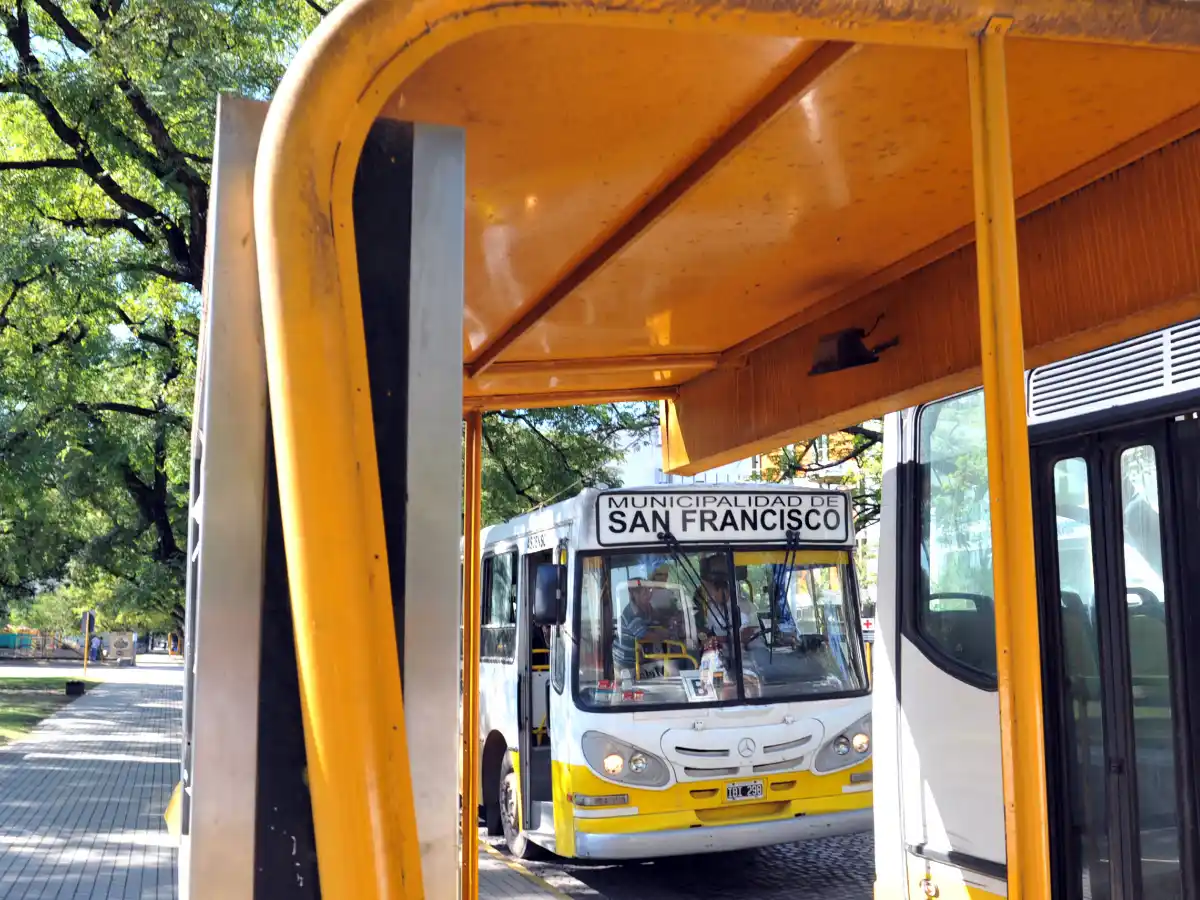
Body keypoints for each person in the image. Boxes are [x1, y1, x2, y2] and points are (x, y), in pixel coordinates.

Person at [612, 578, 670, 676]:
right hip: (624, 664)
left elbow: (659, 618)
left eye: (649, 590)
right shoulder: (631, 612)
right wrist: (667, 635)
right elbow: (644, 635)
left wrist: (671, 620)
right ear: (635, 595)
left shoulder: (647, 607)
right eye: (645, 592)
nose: (649, 594)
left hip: (640, 660)